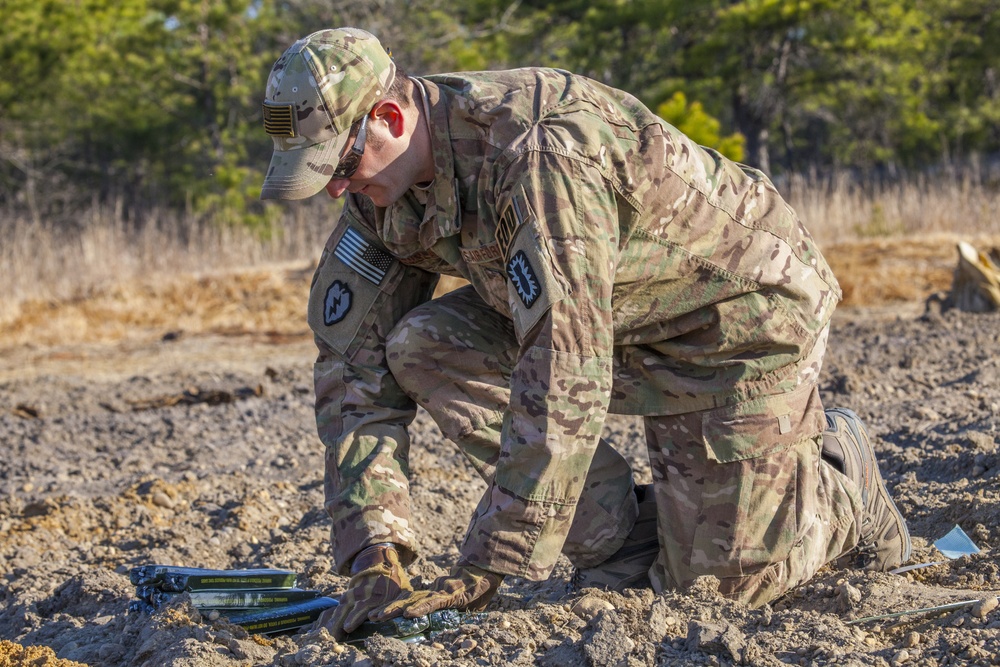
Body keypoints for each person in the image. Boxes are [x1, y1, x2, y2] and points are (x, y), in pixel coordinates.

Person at [259, 27, 911, 638]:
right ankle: (624, 542)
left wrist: (490, 561)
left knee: (720, 591)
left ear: (390, 120)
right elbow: (353, 372)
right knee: (421, 344)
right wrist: (374, 557)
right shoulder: (383, 193)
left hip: (733, 321)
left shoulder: (537, 157)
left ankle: (837, 487)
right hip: (609, 318)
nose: (336, 188)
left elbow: (565, 375)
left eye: (339, 166)